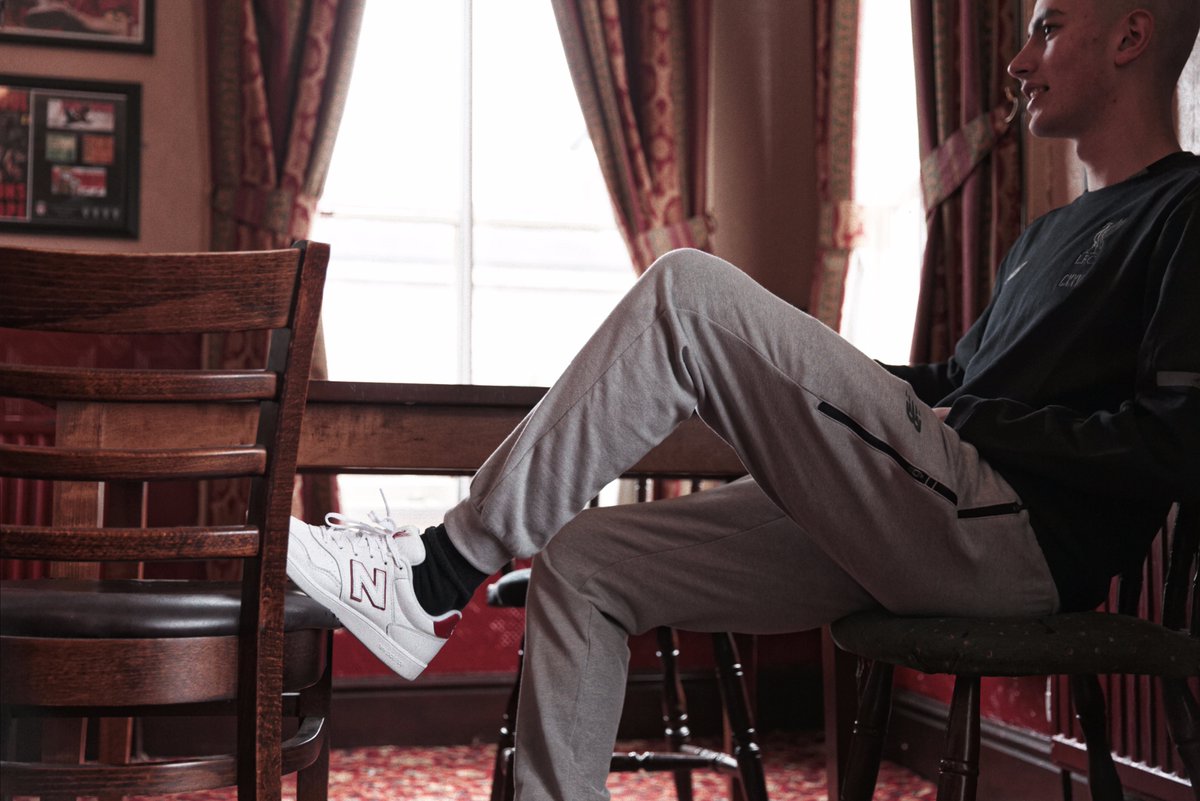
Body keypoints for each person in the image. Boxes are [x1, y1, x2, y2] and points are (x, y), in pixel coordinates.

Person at [286, 0, 1200, 798]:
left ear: (1131, 38)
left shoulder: (1186, 210)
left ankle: (436, 576)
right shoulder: (1045, 236)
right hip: (935, 513)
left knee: (687, 291)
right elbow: (955, 383)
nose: (1019, 60)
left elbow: (1176, 442)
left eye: (1048, 29)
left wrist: (970, 422)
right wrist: (800, 380)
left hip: (1015, 543)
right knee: (585, 561)